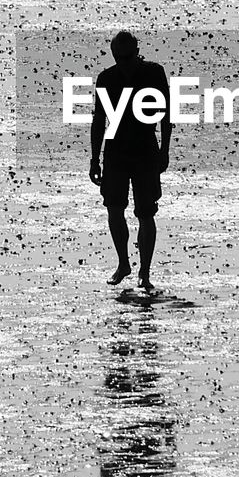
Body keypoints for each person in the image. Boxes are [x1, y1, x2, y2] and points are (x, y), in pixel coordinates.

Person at [89, 31, 171, 291]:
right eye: (119, 57)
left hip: (146, 149)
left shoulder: (154, 73)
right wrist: (94, 158)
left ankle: (144, 273)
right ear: (114, 55)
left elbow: (166, 115)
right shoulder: (106, 79)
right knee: (114, 208)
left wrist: (165, 150)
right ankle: (123, 263)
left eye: (128, 56)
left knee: (146, 212)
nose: (124, 61)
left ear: (137, 51)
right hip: (115, 151)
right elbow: (99, 120)